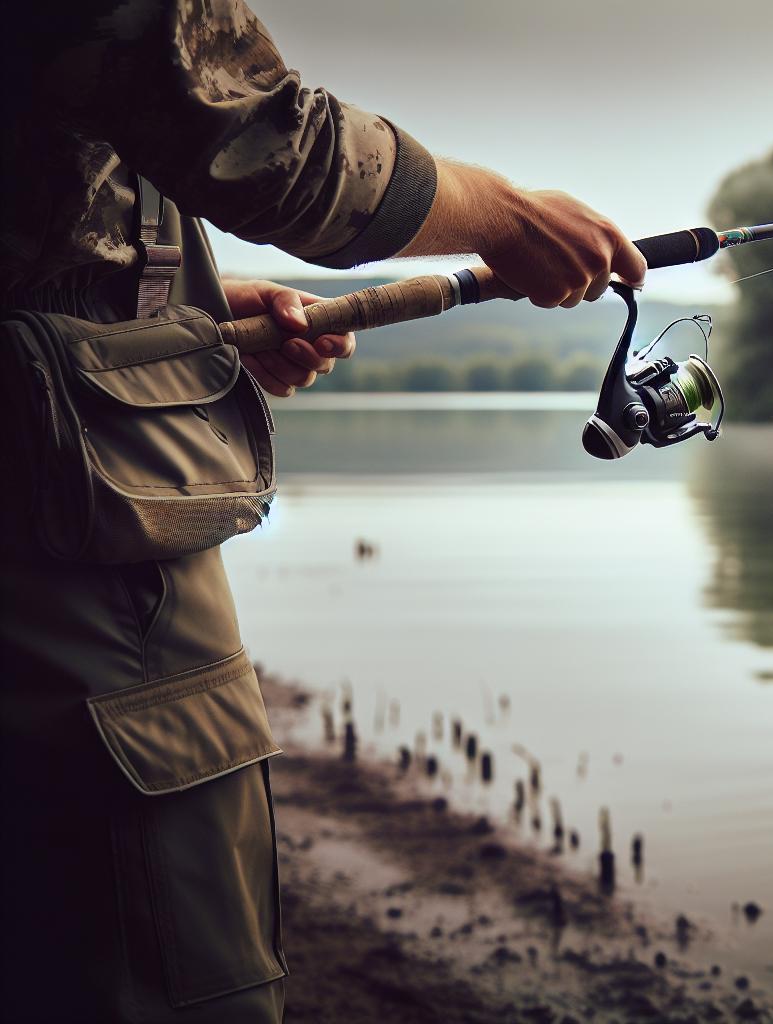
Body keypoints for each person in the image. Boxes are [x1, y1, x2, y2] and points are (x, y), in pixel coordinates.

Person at [0, 2, 645, 1020]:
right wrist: (509, 216)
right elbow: (259, 140)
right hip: (58, 533)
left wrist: (172, 320)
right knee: (163, 954)